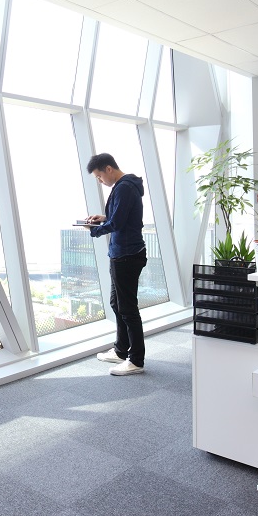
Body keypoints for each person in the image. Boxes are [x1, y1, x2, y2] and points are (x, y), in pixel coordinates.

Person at [84, 153, 148, 376]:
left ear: (108, 169)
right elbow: (122, 216)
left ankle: (136, 360)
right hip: (124, 253)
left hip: (127, 256)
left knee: (128, 309)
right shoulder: (125, 186)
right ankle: (122, 350)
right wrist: (104, 217)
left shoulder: (123, 187)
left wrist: (94, 230)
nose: (100, 181)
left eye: (99, 176)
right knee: (117, 303)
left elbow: (119, 223)